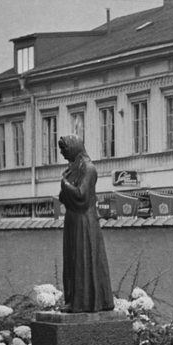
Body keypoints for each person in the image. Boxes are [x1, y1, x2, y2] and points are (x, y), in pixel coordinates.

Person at [57, 134, 114, 313]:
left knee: (83, 260)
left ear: (73, 147)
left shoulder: (88, 168)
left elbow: (81, 196)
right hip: (73, 219)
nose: (62, 153)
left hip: (84, 221)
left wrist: (64, 183)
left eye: (64, 149)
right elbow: (63, 198)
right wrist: (65, 186)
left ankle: (85, 302)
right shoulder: (74, 167)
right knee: (73, 260)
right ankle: (74, 300)